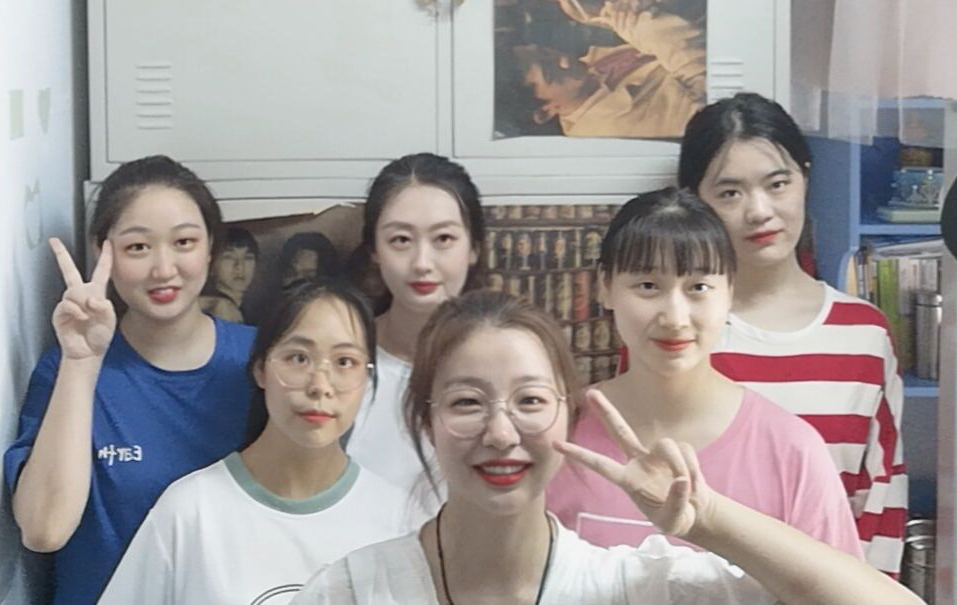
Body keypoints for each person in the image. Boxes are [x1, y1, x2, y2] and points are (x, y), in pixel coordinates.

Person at [292, 291, 919, 604]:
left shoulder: (627, 585)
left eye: (530, 400)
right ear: (425, 420)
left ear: (567, 418)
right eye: (466, 403)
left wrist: (707, 519)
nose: (501, 433)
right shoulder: (355, 590)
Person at [546, 187, 862, 558]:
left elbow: (840, 585)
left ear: (730, 291)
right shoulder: (557, 434)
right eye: (648, 286)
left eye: (698, 287)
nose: (675, 318)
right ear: (605, 287)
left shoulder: (791, 450)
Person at [3, 155, 260, 605]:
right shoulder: (67, 367)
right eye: (138, 247)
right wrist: (83, 363)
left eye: (184, 242)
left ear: (211, 248)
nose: (164, 269)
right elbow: (44, 530)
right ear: (103, 252)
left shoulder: (263, 361)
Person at [679, 92, 907, 575]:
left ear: (805, 177)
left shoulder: (864, 334)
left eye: (777, 184)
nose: (759, 211)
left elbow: (880, 500)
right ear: (696, 201)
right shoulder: (677, 330)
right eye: (730, 193)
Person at [100, 279, 411, 604]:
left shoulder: (399, 520)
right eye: (298, 358)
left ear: (367, 378)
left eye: (344, 362)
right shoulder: (191, 512)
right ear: (261, 368)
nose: (320, 385)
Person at [344, 152, 485, 513]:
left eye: (443, 239)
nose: (422, 263)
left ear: (474, 247)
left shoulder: (503, 363)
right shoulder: (340, 361)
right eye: (401, 240)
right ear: (374, 250)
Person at [515, 0, 705, 138]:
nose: (565, 60)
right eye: (550, 74)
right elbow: (711, 96)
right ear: (545, 112)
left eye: (546, 52)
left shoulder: (587, 74)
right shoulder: (617, 128)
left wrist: (608, 13)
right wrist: (638, 22)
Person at [199, 226, 258, 323]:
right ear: (211, 264)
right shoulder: (223, 308)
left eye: (248, 258)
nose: (240, 266)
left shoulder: (237, 307)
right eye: (229, 257)